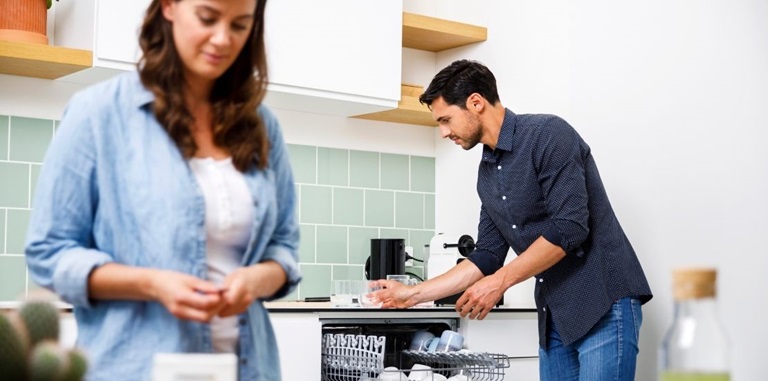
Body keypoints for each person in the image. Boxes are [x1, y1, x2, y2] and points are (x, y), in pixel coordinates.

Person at [25, 0, 300, 380]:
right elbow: (49, 253)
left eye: (240, 25)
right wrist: (153, 284)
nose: (223, 38)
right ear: (169, 6)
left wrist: (256, 280)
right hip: (132, 368)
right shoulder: (98, 114)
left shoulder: (262, 126)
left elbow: (283, 248)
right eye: (207, 18)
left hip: (249, 369)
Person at [371, 59, 652, 381]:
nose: (444, 132)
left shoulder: (548, 134)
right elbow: (487, 256)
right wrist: (412, 294)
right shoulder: (487, 173)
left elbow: (570, 227)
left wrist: (499, 282)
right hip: (556, 315)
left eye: (446, 119)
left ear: (476, 102)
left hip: (603, 301)